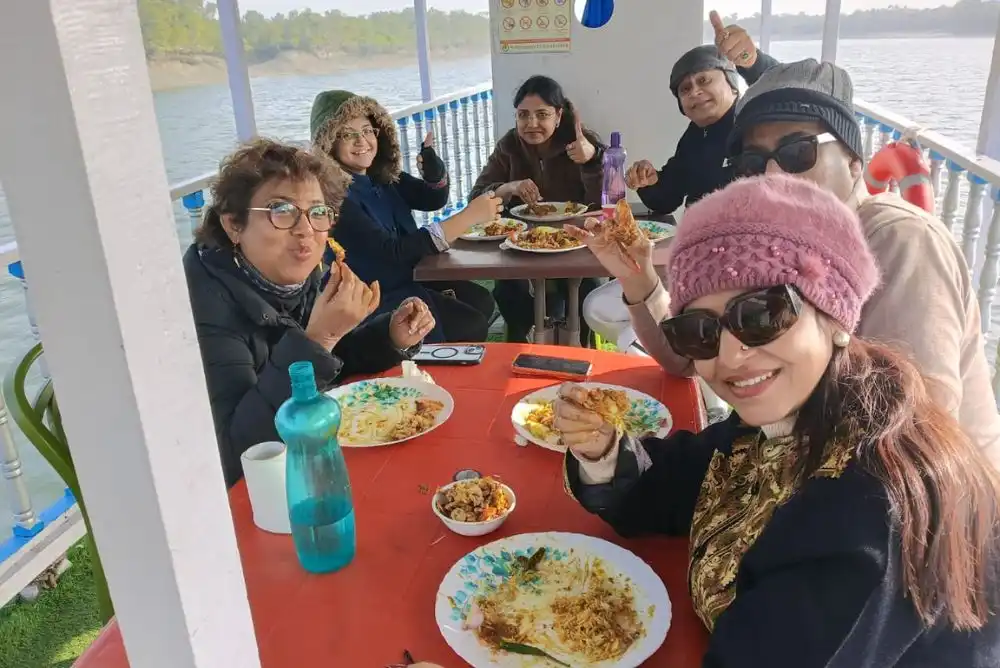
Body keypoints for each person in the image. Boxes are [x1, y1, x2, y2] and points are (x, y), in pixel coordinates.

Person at [561, 174, 1000, 666]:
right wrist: (602, 451)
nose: (731, 354)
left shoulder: (866, 514)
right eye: (700, 331)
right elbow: (676, 485)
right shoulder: (805, 409)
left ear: (834, 317)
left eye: (762, 314)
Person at [573, 58, 1000, 464]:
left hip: (930, 521)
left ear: (854, 161)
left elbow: (913, 430)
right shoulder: (775, 246)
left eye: (798, 152)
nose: (774, 175)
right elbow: (688, 358)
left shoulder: (898, 240)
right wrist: (638, 276)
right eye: (754, 162)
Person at [184, 139, 436, 487]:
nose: (305, 229)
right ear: (233, 226)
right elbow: (238, 453)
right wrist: (320, 338)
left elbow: (330, 361)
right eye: (281, 210)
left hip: (312, 463)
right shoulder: (201, 307)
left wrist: (388, 337)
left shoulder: (297, 275)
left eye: (317, 212)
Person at [584, 13, 779, 345]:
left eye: (705, 80)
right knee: (597, 307)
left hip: (749, 278)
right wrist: (650, 181)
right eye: (685, 89)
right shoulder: (695, 136)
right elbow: (667, 198)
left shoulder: (753, 122)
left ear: (732, 84)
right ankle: (677, 365)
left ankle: (692, 371)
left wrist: (753, 62)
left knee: (650, 328)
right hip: (695, 267)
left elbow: (787, 94)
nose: (695, 92)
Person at [310, 89, 503, 343]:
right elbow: (392, 253)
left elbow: (431, 198)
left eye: (367, 131)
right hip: (372, 298)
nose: (362, 141)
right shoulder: (336, 199)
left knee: (480, 302)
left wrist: (434, 171)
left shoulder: (382, 176)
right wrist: (468, 217)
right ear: (328, 144)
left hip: (409, 277)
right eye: (347, 134)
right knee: (470, 324)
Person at [468, 75, 604, 344]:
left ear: (558, 115)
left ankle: (580, 349)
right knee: (508, 288)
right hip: (521, 244)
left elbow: (601, 206)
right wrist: (508, 188)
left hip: (573, 241)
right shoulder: (509, 146)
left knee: (587, 287)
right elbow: (476, 198)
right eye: (523, 115)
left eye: (541, 114)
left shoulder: (581, 144)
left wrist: (593, 161)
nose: (531, 124)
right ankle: (524, 343)